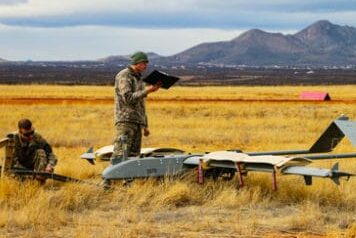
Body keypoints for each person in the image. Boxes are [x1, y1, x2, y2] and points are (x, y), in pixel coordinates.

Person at [111, 51, 161, 161]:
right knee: (120, 154)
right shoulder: (124, 76)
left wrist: (145, 125)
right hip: (126, 121)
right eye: (144, 63)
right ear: (137, 63)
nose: (145, 66)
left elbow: (140, 104)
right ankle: (113, 177)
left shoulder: (138, 79)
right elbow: (128, 98)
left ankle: (129, 178)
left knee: (133, 157)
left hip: (137, 122)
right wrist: (147, 90)